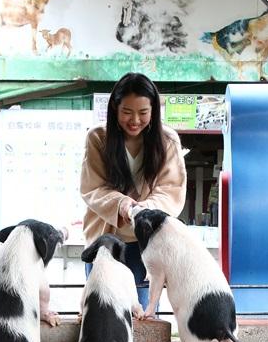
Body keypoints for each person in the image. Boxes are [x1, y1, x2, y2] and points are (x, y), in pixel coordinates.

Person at [79, 72, 187, 308]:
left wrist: (143, 210)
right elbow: (93, 187)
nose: (135, 120)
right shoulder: (98, 138)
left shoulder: (168, 140)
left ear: (153, 112)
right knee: (102, 312)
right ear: (115, 109)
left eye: (143, 113)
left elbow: (171, 188)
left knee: (145, 317)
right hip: (105, 241)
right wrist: (123, 205)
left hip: (147, 243)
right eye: (127, 112)